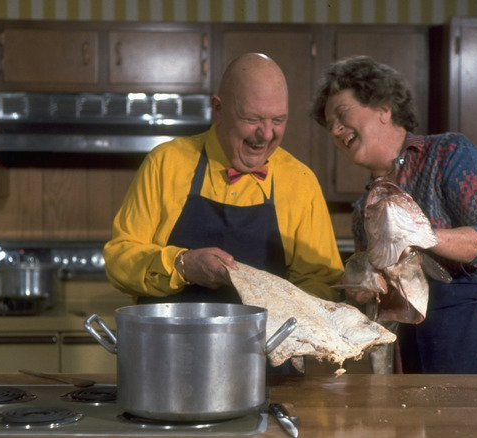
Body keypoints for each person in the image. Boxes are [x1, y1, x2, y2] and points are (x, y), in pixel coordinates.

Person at [309, 56, 477, 374]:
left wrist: (423, 234)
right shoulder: (362, 211)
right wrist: (367, 290)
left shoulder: (449, 153)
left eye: (341, 115)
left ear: (383, 107)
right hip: (420, 346)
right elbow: (390, 301)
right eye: (329, 126)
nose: (336, 130)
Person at [104, 53, 344, 309]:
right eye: (252, 119)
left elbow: (322, 283)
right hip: (169, 345)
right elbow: (119, 260)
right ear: (218, 110)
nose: (265, 134)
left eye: (277, 120)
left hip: (264, 347)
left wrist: (291, 307)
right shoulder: (165, 163)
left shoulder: (301, 182)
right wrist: (182, 265)